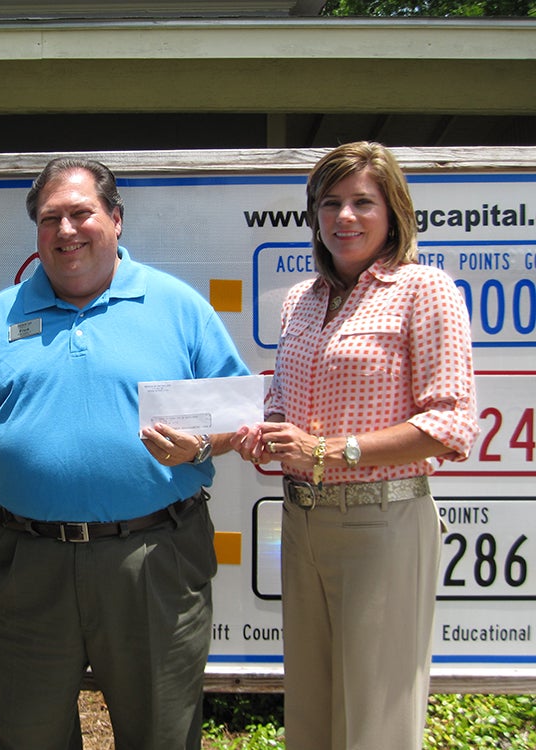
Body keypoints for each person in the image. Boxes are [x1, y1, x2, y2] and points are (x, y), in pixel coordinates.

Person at [0, 157, 250, 749]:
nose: (67, 231)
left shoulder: (178, 307)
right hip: (29, 563)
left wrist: (202, 443)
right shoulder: (2, 314)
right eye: (51, 219)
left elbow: (240, 415)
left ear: (116, 219)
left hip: (152, 560)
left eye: (82, 213)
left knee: (162, 738)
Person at [231, 142, 479, 750]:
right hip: (302, 522)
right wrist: (259, 435)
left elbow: (451, 425)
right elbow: (284, 407)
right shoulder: (300, 300)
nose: (345, 217)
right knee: (311, 719)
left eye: (362, 202)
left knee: (377, 724)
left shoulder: (425, 289)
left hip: (383, 521)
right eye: (330, 203)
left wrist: (329, 450)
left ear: (393, 211)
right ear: (313, 215)